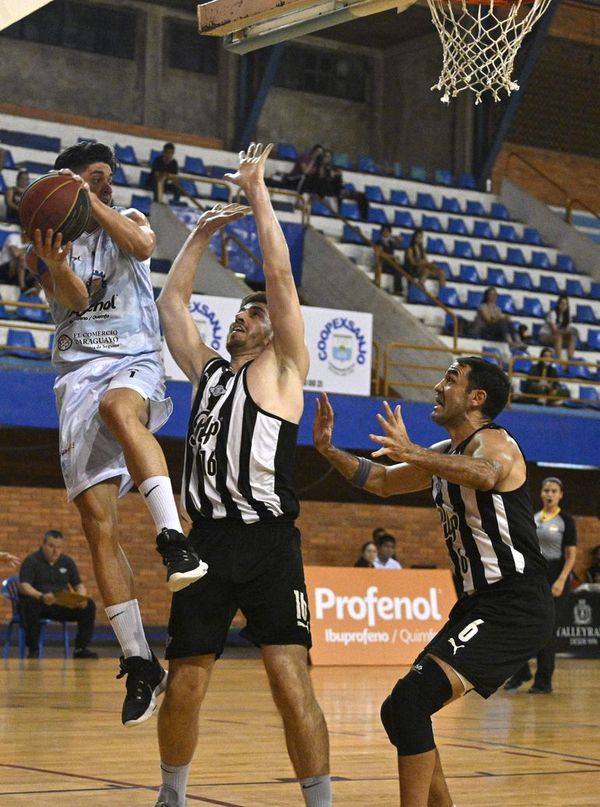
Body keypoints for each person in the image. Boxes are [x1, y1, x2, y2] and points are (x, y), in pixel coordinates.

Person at [154, 143, 331, 807]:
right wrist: (198, 235)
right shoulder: (209, 372)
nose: (244, 313)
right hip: (207, 542)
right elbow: (174, 306)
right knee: (186, 683)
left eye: (252, 311)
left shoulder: (283, 367)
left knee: (291, 682)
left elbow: (281, 281)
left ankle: (320, 802)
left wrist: (258, 192)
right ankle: (172, 794)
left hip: (268, 541)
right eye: (242, 309)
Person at [313, 356, 553, 807]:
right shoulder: (446, 453)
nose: (439, 386)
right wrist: (329, 451)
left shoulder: (495, 442)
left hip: (515, 603)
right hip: (479, 605)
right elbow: (381, 480)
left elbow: (487, 475)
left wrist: (414, 452)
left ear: (476, 399)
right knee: (400, 710)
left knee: (410, 702)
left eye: (451, 379)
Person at [25, 141, 207, 726]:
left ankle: (174, 537)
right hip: (76, 374)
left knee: (118, 408)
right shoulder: (47, 244)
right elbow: (75, 300)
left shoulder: (126, 218)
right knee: (97, 526)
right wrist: (53, 260)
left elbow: (144, 245)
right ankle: (138, 659)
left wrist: (86, 198)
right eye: (94, 179)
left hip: (134, 360)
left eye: (107, 177)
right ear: (74, 179)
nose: (105, 185)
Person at [504, 477, 577, 694]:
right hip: (535, 574)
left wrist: (562, 580)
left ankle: (543, 681)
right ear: (541, 493)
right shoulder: (534, 518)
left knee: (548, 631)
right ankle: (521, 671)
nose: (549, 494)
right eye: (546, 490)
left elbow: (571, 555)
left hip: (557, 576)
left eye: (554, 491)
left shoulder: (566, 520)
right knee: (521, 624)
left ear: (561, 494)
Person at [18, 529, 98, 659]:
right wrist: (41, 596)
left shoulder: (67, 562)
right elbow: (24, 586)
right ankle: (33, 650)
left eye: (58, 547)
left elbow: (79, 585)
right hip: (41, 602)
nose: (55, 551)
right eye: (51, 546)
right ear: (43, 545)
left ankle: (80, 649)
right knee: (30, 604)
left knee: (89, 605)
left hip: (61, 603)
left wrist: (81, 597)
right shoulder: (31, 561)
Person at [538, 293, 579, 360]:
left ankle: (571, 360)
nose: (563, 306)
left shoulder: (568, 316)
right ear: (558, 304)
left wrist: (572, 332)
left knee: (572, 337)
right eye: (562, 303)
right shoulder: (553, 313)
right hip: (546, 335)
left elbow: (568, 329)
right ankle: (559, 360)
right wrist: (568, 331)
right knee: (558, 337)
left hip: (558, 335)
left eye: (565, 304)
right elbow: (554, 330)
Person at [378, 225, 404, 295]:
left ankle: (400, 289)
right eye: (384, 231)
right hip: (382, 263)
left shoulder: (390, 242)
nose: (386, 233)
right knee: (397, 269)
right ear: (381, 232)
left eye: (388, 231)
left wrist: (398, 239)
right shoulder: (379, 242)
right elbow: (381, 254)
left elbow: (398, 244)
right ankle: (397, 290)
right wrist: (393, 257)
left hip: (390, 263)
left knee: (401, 267)